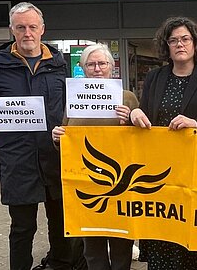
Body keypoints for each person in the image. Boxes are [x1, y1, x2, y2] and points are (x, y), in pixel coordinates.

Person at [0, 2, 72, 270]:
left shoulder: (59, 63)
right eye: (21, 27)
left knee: (61, 224)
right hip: (19, 158)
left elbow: (71, 106)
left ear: (42, 30)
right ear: (11, 30)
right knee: (22, 227)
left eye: (33, 27)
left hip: (56, 156)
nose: (27, 33)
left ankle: (59, 264)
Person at [129, 16, 197, 270]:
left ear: (196, 43)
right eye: (173, 40)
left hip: (196, 174)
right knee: (161, 244)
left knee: (191, 247)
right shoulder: (154, 77)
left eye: (185, 39)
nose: (179, 44)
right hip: (158, 174)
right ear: (166, 46)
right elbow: (146, 115)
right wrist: (135, 114)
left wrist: (196, 123)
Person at [52, 43, 138, 270]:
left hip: (119, 181)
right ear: (83, 68)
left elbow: (142, 139)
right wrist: (57, 136)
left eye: (102, 63)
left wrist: (129, 120)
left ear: (111, 67)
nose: (97, 68)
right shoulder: (74, 99)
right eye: (91, 64)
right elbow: (65, 134)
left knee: (121, 240)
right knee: (92, 243)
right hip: (85, 180)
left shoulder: (127, 97)